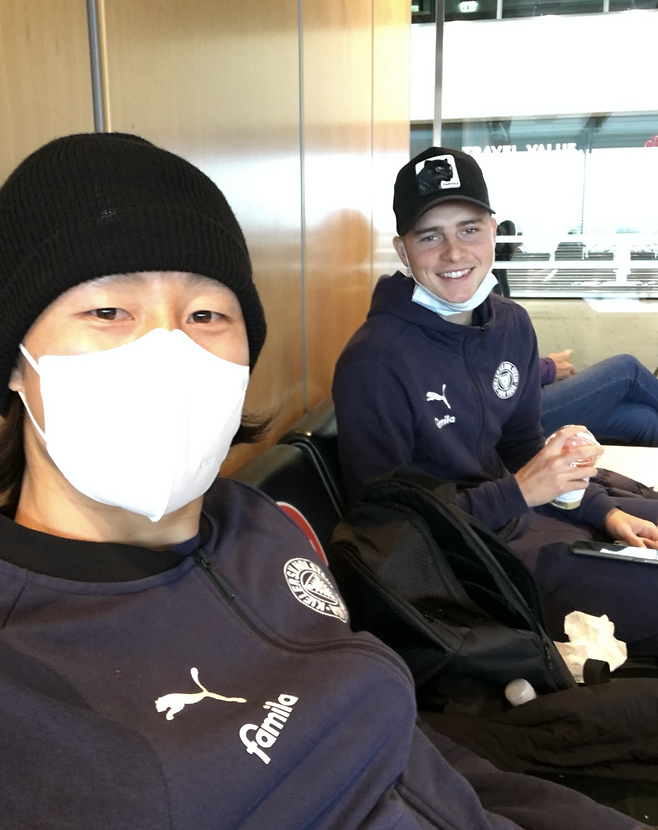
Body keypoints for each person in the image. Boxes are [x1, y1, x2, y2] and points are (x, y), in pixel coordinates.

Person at [0, 132, 642, 830]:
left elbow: (409, 750)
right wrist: (520, 494)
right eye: (106, 311)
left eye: (206, 315)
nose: (167, 352)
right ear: (16, 359)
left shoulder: (260, 527)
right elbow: (394, 523)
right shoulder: (29, 676)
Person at [333, 145, 658, 656]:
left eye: (469, 229)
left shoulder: (511, 324)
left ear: (493, 230)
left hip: (529, 511)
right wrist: (520, 492)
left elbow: (522, 443)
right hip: (471, 560)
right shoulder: (374, 363)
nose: (454, 253)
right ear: (403, 250)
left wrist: (602, 512)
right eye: (430, 236)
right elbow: (388, 529)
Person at [540, 350, 658, 446]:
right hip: (532, 410)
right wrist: (548, 368)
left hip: (535, 391)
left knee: (645, 419)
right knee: (628, 369)